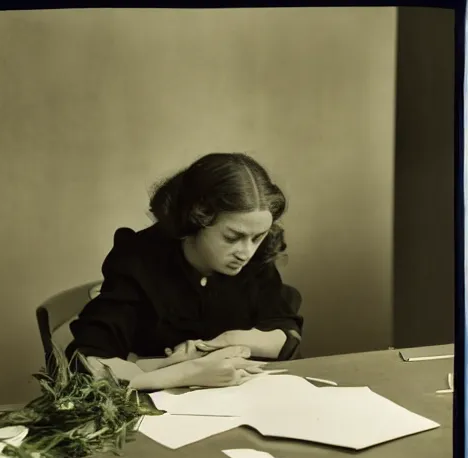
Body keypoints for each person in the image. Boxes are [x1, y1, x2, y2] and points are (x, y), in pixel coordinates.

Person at [65, 152, 304, 390]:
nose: (246, 252)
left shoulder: (255, 256)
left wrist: (229, 342)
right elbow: (88, 360)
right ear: (195, 220)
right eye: (233, 237)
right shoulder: (140, 260)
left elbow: (286, 333)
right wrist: (187, 372)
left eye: (258, 237)